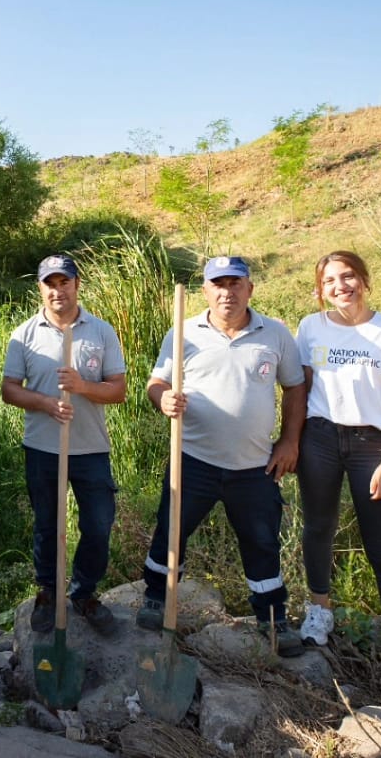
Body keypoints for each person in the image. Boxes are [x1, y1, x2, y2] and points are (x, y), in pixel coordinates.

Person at [137, 255, 307, 656]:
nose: (227, 292)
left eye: (235, 284)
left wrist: (290, 441)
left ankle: (272, 618)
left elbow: (295, 388)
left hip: (254, 466)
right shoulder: (184, 332)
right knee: (171, 530)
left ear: (249, 289)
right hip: (193, 460)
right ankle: (157, 597)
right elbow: (156, 382)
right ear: (205, 291)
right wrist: (163, 398)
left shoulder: (275, 334)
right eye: (218, 284)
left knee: (261, 541)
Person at [294, 250, 381, 711]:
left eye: (348, 276)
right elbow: (301, 389)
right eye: (330, 281)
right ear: (320, 290)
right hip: (319, 438)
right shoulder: (310, 327)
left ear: (364, 280)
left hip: (372, 445)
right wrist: (291, 441)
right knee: (318, 527)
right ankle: (320, 609)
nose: (341, 286)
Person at [2, 254, 127, 638]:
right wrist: (45, 403)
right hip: (43, 448)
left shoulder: (101, 332)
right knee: (47, 525)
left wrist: (82, 386)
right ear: (40, 288)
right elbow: (9, 390)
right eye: (50, 283)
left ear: (77, 284)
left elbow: (118, 390)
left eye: (64, 282)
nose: (58, 290)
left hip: (90, 449)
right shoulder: (25, 334)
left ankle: (84, 593)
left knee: (98, 524)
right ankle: (48, 592)